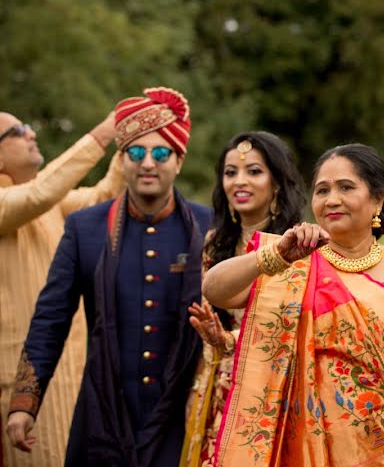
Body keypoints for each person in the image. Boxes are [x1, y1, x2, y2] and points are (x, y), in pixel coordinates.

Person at [6, 87, 212, 466]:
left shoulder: (207, 227)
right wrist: (24, 404)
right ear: (122, 160)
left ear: (179, 162)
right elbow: (50, 319)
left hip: (182, 417)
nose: (148, 162)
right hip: (102, 413)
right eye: (136, 152)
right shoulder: (85, 228)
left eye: (161, 153)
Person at [203, 143, 384, 466]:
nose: (332, 200)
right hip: (303, 448)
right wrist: (275, 256)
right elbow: (214, 288)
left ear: (377, 199)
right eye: (322, 190)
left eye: (346, 187)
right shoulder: (295, 264)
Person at [0, 110, 124, 467]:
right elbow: (41, 192)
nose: (31, 133)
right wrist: (103, 133)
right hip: (20, 383)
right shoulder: (23, 201)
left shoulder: (45, 204)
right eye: (18, 131)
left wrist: (128, 143)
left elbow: (106, 196)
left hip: (66, 374)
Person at [180, 132, 306, 467]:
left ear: (277, 182)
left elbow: (290, 326)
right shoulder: (215, 242)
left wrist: (232, 341)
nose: (240, 181)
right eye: (230, 172)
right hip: (217, 381)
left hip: (274, 381)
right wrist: (216, 341)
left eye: (253, 171)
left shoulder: (296, 244)